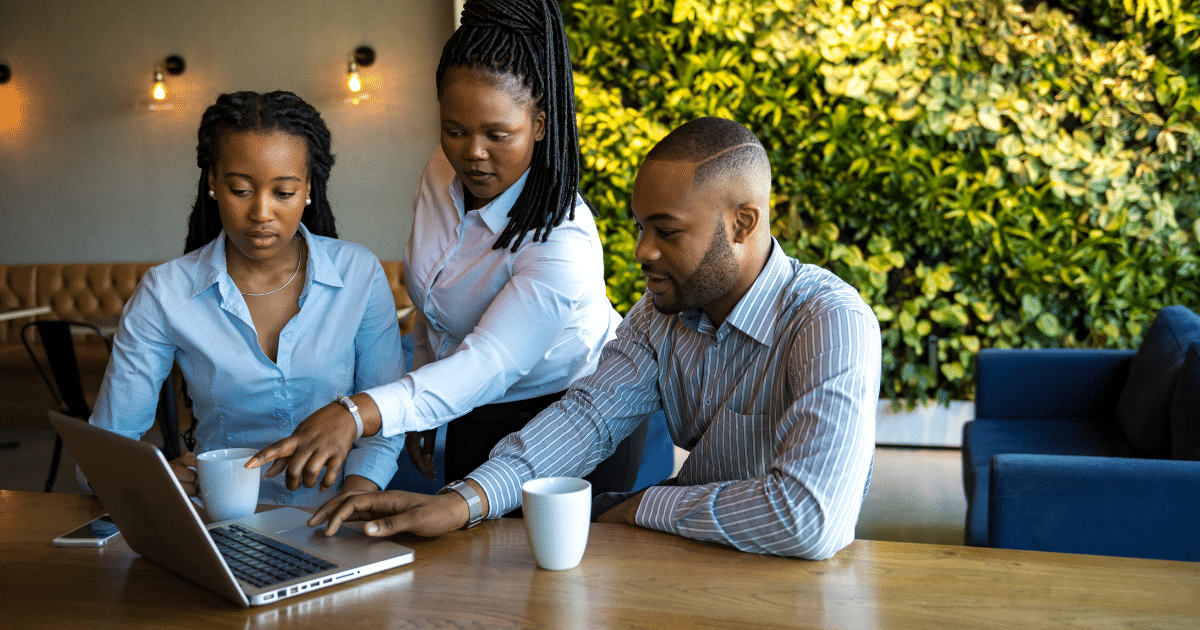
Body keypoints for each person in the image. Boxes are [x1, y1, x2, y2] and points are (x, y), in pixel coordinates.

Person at [305, 117, 882, 560]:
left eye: (667, 231)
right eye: (639, 227)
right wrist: (460, 504)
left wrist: (642, 505)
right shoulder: (660, 318)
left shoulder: (831, 323)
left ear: (744, 223)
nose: (642, 252)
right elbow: (585, 420)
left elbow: (809, 517)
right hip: (688, 562)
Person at [248, 0, 621, 496]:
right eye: (455, 130)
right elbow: (435, 313)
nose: (473, 152)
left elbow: (488, 363)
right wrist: (421, 397)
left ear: (541, 124)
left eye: (498, 134)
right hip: (466, 400)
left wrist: (358, 413)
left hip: (562, 416)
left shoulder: (561, 241)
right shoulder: (442, 171)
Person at [85, 90, 405, 507]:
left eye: (284, 193)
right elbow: (103, 450)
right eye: (240, 189)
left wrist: (353, 502)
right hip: (220, 518)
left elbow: (384, 415)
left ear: (309, 188)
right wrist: (158, 477)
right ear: (214, 184)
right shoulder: (166, 292)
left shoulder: (358, 274)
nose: (261, 212)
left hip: (337, 513)